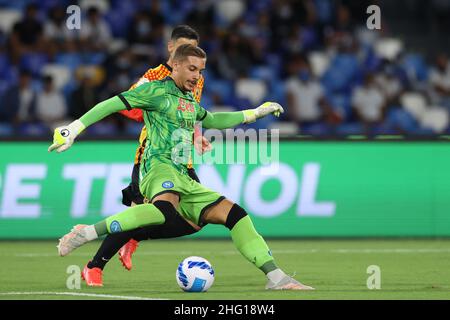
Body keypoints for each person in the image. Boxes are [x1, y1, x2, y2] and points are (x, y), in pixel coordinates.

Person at [49, 44, 312, 291]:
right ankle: (85, 234)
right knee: (163, 209)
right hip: (157, 167)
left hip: (183, 174)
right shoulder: (155, 91)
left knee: (235, 215)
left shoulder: (188, 99)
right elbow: (111, 104)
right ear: (174, 66)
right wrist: (74, 128)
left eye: (201, 71)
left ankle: (276, 278)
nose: (197, 76)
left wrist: (254, 113)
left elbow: (212, 119)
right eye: (192, 69)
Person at [81, 25, 212, 286]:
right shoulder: (154, 77)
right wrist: (157, 108)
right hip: (152, 158)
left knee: (197, 218)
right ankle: (94, 267)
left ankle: (135, 238)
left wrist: (197, 134)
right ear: (171, 49)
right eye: (183, 48)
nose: (189, 56)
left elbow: (193, 111)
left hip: (182, 159)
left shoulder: (196, 77)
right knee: (142, 213)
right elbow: (128, 107)